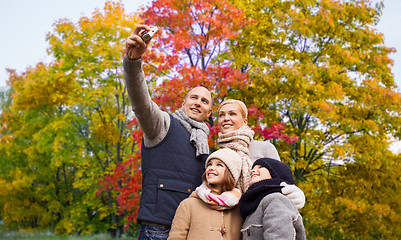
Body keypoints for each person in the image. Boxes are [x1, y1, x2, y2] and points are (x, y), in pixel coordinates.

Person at [124, 25, 212, 239]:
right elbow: (141, 102)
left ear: (209, 112)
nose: (198, 103)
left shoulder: (207, 146)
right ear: (183, 103)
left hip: (192, 231)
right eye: (194, 97)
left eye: (204, 101)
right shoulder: (163, 124)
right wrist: (133, 62)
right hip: (159, 230)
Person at [217, 99, 305, 208]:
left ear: (245, 121)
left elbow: (283, 182)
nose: (226, 118)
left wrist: (296, 196)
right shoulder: (217, 156)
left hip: (260, 213)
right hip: (228, 217)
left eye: (232, 114)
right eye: (221, 115)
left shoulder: (264, 148)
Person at [168, 148, 244, 240]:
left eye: (219, 165)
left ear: (231, 173)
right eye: (209, 164)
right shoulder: (188, 205)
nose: (211, 168)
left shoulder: (240, 208)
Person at [239, 158, 306, 240]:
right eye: (253, 169)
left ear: (276, 173)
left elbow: (279, 237)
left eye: (260, 167)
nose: (253, 171)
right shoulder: (254, 206)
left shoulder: (276, 199)